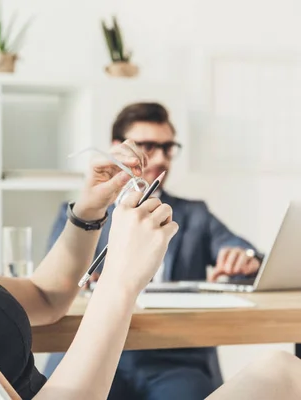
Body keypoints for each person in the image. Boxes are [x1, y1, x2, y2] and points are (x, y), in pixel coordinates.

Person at [0, 35, 301, 400]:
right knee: (281, 374)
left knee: (279, 371)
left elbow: (47, 297)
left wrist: (88, 212)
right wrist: (122, 280)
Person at [43, 102, 265, 399]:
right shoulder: (83, 213)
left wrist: (245, 258)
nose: (161, 158)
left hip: (175, 358)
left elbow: (243, 249)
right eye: (148, 147)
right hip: (99, 346)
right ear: (117, 150)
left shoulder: (194, 214)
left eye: (167, 147)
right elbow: (56, 284)